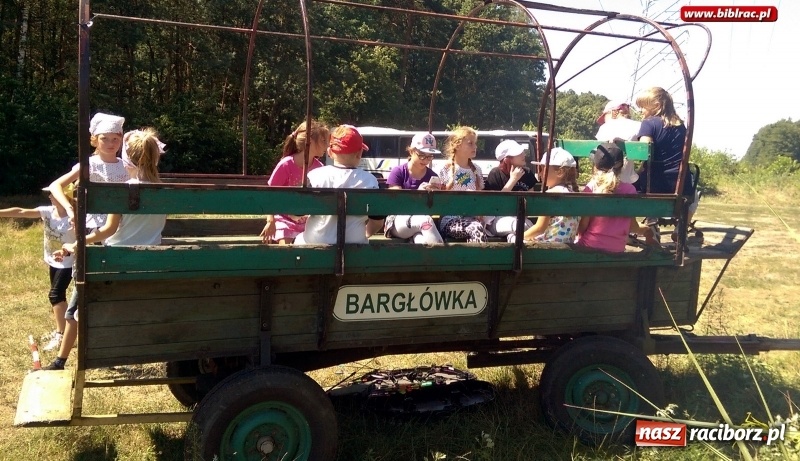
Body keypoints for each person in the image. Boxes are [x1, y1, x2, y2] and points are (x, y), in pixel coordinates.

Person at [44, 128, 167, 371]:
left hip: (113, 263)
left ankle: (60, 361)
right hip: (149, 263)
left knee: (74, 312)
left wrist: (73, 245)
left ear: (127, 156)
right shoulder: (161, 189)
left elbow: (107, 231)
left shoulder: (123, 190)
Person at [0, 183, 77, 351]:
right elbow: (21, 212)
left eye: (53, 194)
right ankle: (62, 329)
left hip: (69, 262)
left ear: (66, 198)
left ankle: (61, 335)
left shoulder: (74, 218)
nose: (50, 196)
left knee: (55, 295)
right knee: (59, 296)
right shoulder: (48, 212)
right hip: (53, 260)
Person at [294, 125, 383, 245]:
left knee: (300, 238)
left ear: (330, 152)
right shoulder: (370, 182)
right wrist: (363, 236)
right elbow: (377, 222)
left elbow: (296, 210)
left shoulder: (314, 177)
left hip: (316, 247)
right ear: (359, 154)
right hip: (354, 250)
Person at [49, 113, 128, 229]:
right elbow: (55, 185)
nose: (110, 143)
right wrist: (69, 208)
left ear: (121, 140)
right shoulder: (89, 164)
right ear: (95, 140)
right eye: (104, 139)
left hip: (123, 226)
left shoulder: (126, 165)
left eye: (115, 139)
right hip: (95, 226)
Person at [575, 143, 657, 252]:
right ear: (622, 167)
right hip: (616, 250)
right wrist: (647, 231)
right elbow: (633, 227)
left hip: (588, 248)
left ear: (595, 167)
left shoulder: (591, 188)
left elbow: (582, 228)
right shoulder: (630, 190)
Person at [260, 120, 331, 244]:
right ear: (310, 142)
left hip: (308, 224)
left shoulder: (319, 168)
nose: (327, 146)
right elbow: (269, 194)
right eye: (323, 141)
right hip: (284, 221)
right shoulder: (286, 164)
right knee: (288, 252)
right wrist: (270, 221)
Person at [383, 133, 444, 244]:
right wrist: (418, 195)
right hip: (397, 221)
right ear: (411, 151)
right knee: (425, 220)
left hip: (422, 225)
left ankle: (433, 260)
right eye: (421, 154)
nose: (425, 160)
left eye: (430, 155)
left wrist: (435, 197)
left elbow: (435, 209)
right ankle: (445, 259)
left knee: (421, 241)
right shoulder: (398, 172)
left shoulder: (433, 176)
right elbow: (396, 203)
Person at [437, 126, 487, 243]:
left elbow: (481, 198)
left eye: (475, 143)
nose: (475, 147)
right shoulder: (445, 169)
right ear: (457, 145)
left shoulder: (477, 170)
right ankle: (482, 260)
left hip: (473, 219)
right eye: (470, 143)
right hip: (450, 220)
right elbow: (439, 200)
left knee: (476, 227)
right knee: (475, 228)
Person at [522, 148, 580, 243]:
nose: (540, 173)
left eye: (542, 169)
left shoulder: (550, 195)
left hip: (549, 247)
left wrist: (519, 237)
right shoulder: (574, 193)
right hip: (567, 245)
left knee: (513, 239)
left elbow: (539, 228)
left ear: (560, 172)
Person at [484, 139, 536, 241]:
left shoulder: (527, 173)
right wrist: (513, 179)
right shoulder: (495, 174)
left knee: (524, 228)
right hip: (498, 220)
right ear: (507, 159)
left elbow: (531, 201)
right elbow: (497, 206)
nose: (523, 154)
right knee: (523, 227)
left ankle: (514, 246)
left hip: (521, 218)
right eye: (518, 153)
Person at [595, 100, 641, 184]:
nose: (605, 120)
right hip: (629, 180)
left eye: (605, 115)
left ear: (614, 112)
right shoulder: (639, 126)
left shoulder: (604, 128)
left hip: (604, 180)